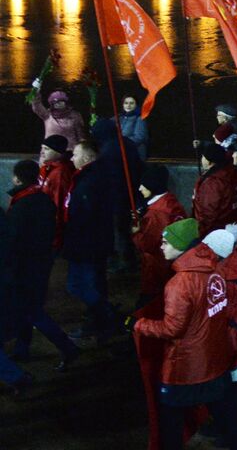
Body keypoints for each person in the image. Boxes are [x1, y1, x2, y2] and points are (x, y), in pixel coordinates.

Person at [132, 218, 237, 450]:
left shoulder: (179, 283)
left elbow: (172, 329)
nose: (161, 246)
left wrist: (139, 324)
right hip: (214, 359)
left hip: (184, 366)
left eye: (166, 242)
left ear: (180, 246)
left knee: (170, 419)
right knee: (224, 412)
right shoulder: (215, 271)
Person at [4, 160, 81, 369]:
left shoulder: (21, 206)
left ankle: (68, 348)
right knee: (27, 310)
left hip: (25, 268)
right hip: (40, 263)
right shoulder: (42, 200)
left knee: (31, 311)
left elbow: (12, 242)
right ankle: (22, 349)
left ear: (17, 178)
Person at [62, 140, 116, 339]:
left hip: (86, 246)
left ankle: (104, 317)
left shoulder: (89, 182)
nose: (72, 158)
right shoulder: (95, 177)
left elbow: (85, 218)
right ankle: (101, 319)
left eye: (75, 154)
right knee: (94, 283)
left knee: (79, 285)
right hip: (94, 244)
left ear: (87, 157)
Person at [132, 165, 188, 305]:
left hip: (156, 266)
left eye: (143, 185)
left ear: (152, 186)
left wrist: (136, 232)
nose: (139, 189)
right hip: (172, 263)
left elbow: (147, 244)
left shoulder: (157, 213)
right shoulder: (170, 202)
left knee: (151, 300)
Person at [194, 143, 237, 239]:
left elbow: (208, 213)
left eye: (203, 156)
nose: (201, 159)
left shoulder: (213, 183)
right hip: (228, 226)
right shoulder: (231, 173)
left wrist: (201, 234)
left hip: (212, 232)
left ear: (209, 161)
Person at [30, 86, 87, 150]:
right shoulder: (47, 115)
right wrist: (35, 90)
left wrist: (83, 147)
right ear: (52, 104)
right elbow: (36, 106)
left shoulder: (75, 115)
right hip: (51, 151)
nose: (59, 104)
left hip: (70, 151)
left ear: (66, 102)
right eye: (56, 103)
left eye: (61, 102)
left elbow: (80, 134)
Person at [117, 94, 150, 161]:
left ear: (136, 105)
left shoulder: (140, 118)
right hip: (119, 153)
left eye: (131, 103)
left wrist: (121, 143)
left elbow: (139, 137)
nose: (128, 105)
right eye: (126, 103)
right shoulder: (118, 118)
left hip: (134, 154)